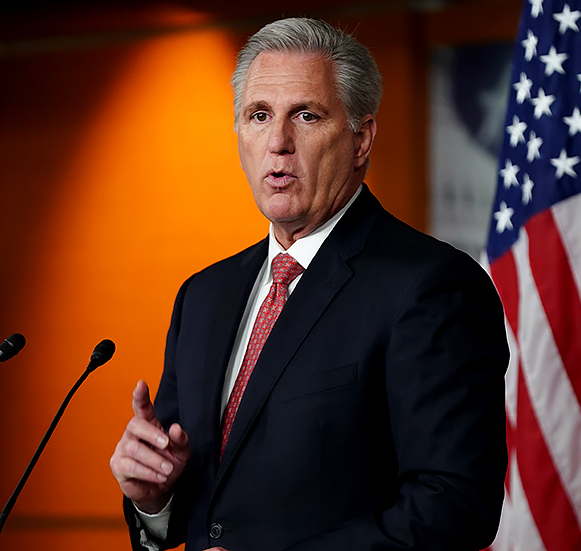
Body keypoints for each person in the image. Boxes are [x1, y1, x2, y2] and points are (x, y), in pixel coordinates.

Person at [109, 17, 509, 551]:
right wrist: (153, 498)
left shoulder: (432, 287)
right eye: (258, 115)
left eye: (307, 114)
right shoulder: (203, 296)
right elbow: (206, 510)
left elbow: (455, 506)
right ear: (239, 136)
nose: (278, 142)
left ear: (361, 137)